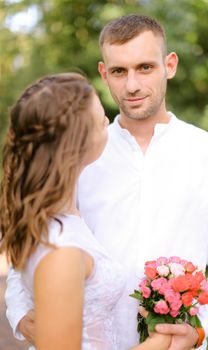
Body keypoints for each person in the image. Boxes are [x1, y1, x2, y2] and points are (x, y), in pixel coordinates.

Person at [5, 14, 208, 350]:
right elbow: (34, 242)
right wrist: (20, 314)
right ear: (104, 74)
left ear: (169, 65)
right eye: (118, 71)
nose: (132, 86)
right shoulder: (80, 154)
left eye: (145, 67)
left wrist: (198, 329)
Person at [0, 72, 172, 350]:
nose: (107, 120)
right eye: (99, 118)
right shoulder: (61, 249)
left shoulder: (59, 216)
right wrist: (158, 344)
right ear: (76, 143)